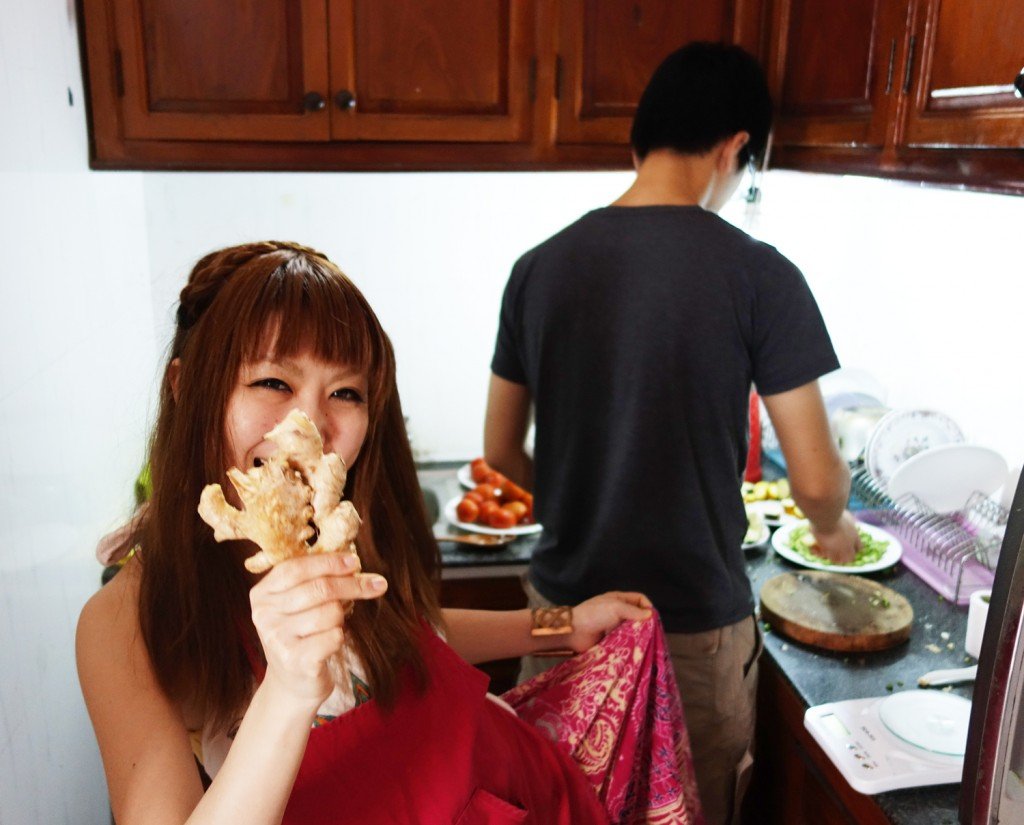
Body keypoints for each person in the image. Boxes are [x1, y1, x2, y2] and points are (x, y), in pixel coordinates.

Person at [76, 241, 655, 825]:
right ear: (185, 386)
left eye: (345, 393)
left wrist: (561, 625)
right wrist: (288, 689)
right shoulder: (126, 619)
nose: (312, 424)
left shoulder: (339, 531)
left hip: (529, 791)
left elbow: (405, 637)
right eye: (272, 381)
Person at [483, 42, 859, 825]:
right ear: (735, 148)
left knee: (551, 810)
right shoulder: (760, 275)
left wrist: (579, 497)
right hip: (691, 630)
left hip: (558, 618)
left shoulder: (537, 267)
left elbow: (500, 452)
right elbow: (818, 481)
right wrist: (833, 529)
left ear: (640, 140)